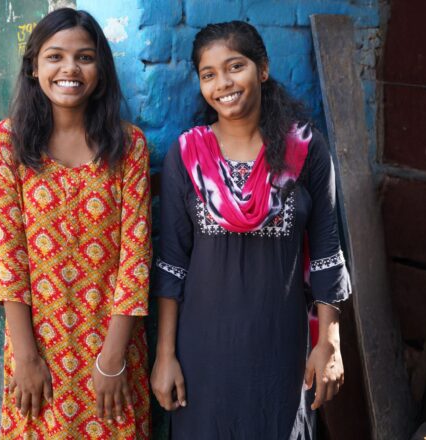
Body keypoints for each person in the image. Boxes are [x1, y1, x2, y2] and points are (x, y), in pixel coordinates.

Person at [150, 21, 351, 439]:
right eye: (209, 74)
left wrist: (328, 344)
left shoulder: (306, 150)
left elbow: (329, 251)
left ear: (262, 69)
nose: (223, 83)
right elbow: (171, 265)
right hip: (202, 353)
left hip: (280, 348)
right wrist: (164, 354)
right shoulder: (186, 156)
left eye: (235, 66)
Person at [0, 8, 151, 439]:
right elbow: (10, 258)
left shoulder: (129, 145)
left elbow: (135, 259)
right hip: (36, 345)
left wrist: (111, 360)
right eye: (55, 56)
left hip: (111, 343)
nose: (70, 69)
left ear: (101, 68)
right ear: (34, 67)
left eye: (85, 57)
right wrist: (26, 358)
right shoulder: (8, 142)